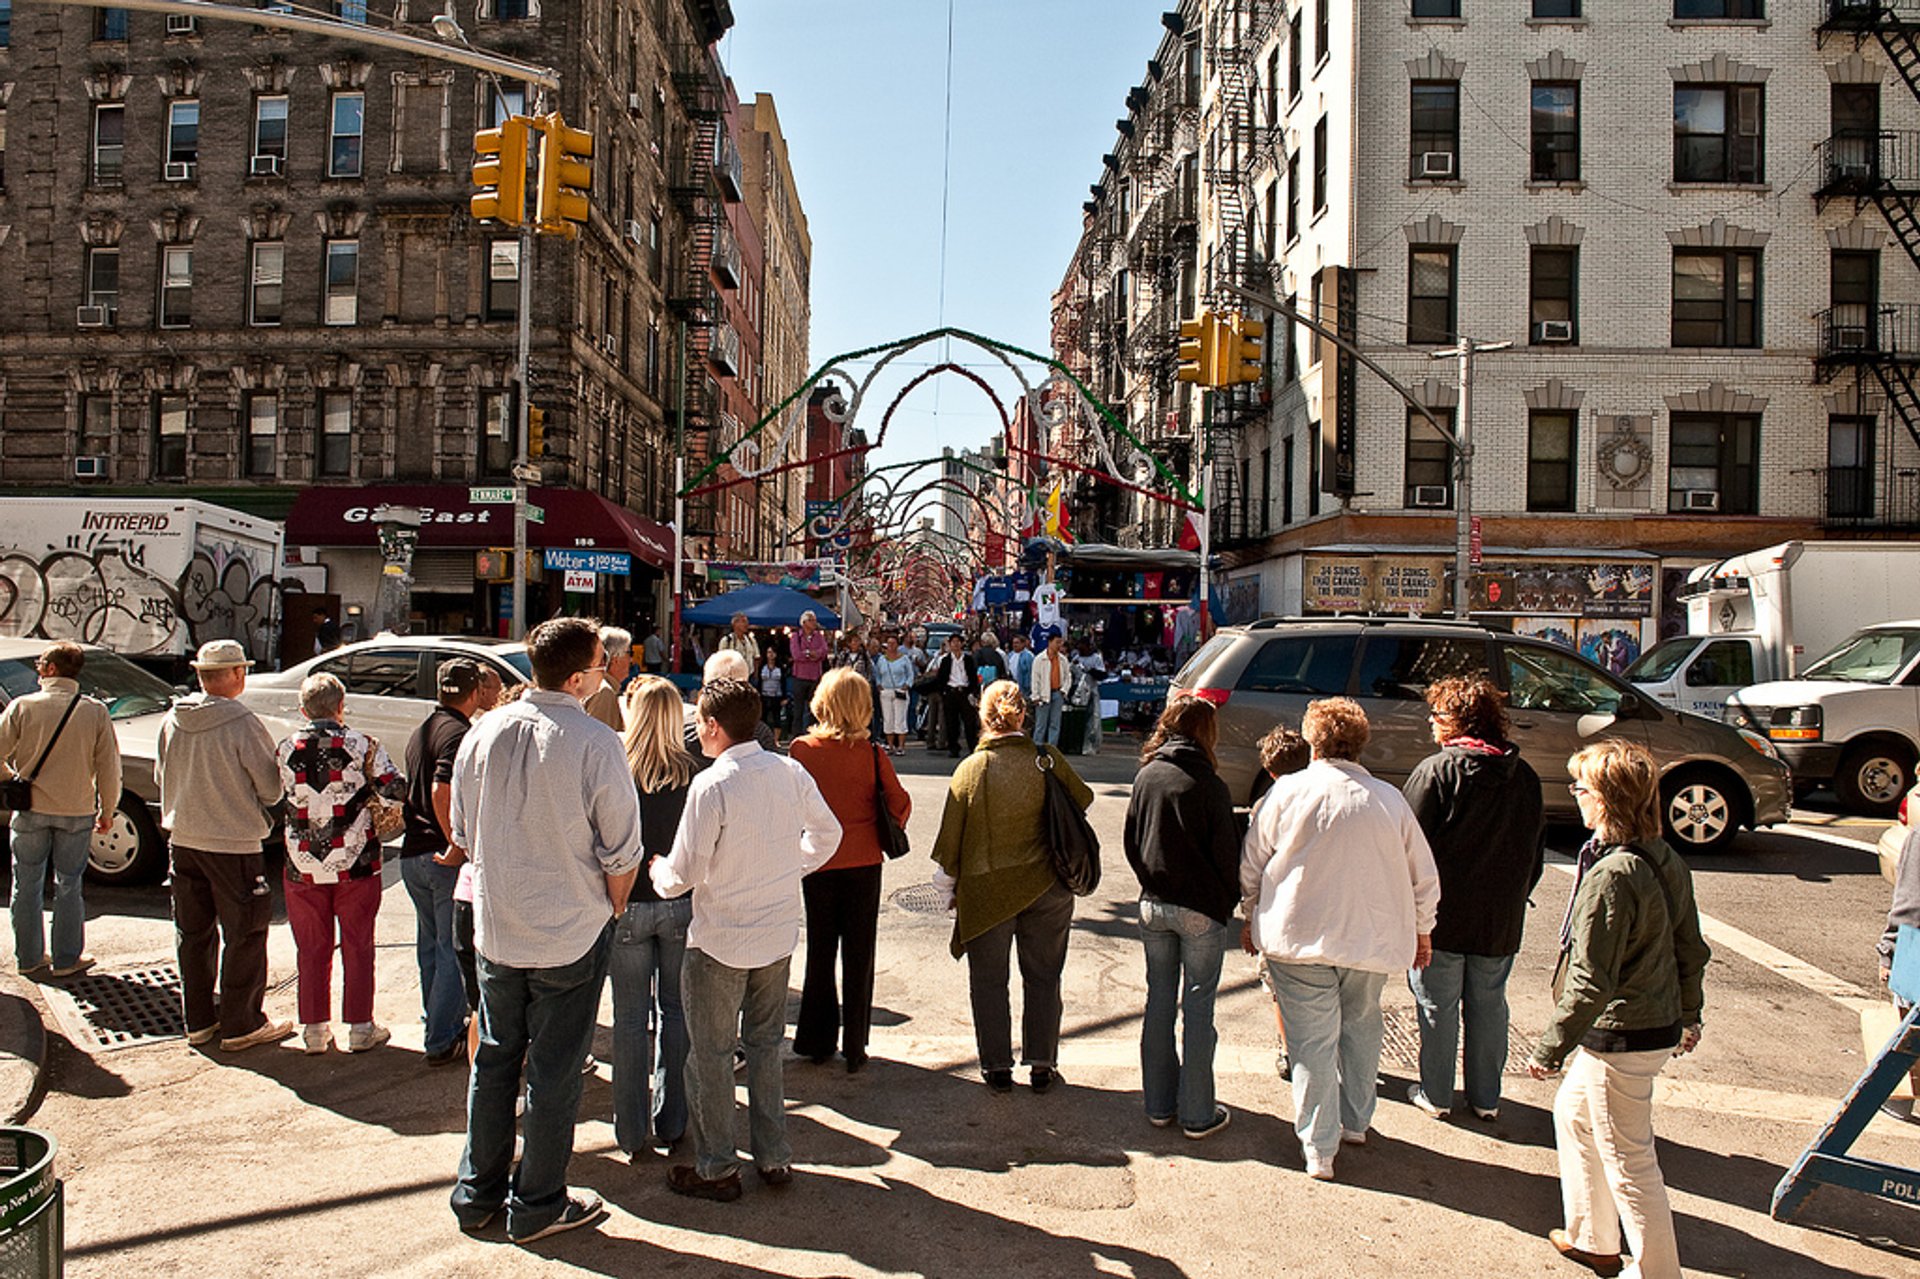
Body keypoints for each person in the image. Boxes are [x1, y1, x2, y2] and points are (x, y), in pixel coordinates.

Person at [449, 617, 644, 1245]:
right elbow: (623, 850)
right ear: (580, 674)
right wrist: (611, 908)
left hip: (500, 928)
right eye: (597, 665)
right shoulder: (595, 740)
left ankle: (478, 1191)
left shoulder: (484, 732)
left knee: (498, 1058)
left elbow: (460, 829)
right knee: (555, 1069)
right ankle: (536, 1201)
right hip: (567, 928)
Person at [651, 679, 842, 1202]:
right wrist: (791, 868)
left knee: (710, 1056)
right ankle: (774, 1155)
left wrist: (657, 873)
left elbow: (682, 874)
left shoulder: (712, 785)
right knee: (763, 1048)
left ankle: (717, 1167)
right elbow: (828, 835)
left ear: (712, 727)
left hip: (721, 940)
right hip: (775, 933)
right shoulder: (787, 771)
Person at [1530, 740, 1708, 1279]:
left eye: (1581, 788)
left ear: (1605, 799)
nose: (1575, 796)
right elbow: (1690, 946)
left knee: (1630, 1161)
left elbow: (1590, 979)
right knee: (1574, 1115)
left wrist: (1549, 1047)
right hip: (1650, 1023)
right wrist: (1691, 1013)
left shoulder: (1612, 875)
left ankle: (1656, 1272)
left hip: (1623, 1034)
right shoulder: (1661, 856)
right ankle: (1592, 1236)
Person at [1240, 697, 1439, 1181]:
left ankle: (1318, 1146)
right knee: (1362, 1026)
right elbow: (1424, 876)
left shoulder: (1286, 793)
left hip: (1297, 933)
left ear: (1312, 740)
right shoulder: (1389, 800)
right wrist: (1423, 929)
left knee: (1311, 1043)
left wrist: (1248, 913)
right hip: (1370, 938)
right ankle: (1356, 1120)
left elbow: (1253, 864)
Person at [931, 680, 1093, 1094]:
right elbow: (1084, 798)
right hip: (1048, 886)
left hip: (987, 891)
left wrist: (948, 887)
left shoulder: (972, 769)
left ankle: (996, 1067)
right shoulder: (1047, 760)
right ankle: (1042, 1064)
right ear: (1022, 715)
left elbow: (951, 840)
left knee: (988, 981)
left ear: (983, 718)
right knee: (1043, 977)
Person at [1403, 675, 1546, 1122]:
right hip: (1499, 918)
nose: (1431, 723)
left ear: (1455, 721)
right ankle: (1486, 1098)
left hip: (1440, 917)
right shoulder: (1523, 776)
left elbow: (1407, 846)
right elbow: (1534, 853)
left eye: (1437, 715)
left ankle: (1436, 1093)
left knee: (1436, 1007)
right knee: (1489, 1006)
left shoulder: (1437, 772)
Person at [157, 640, 291, 1051]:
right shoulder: (242, 721)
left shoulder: (173, 719)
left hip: (183, 838)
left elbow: (163, 775)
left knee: (193, 934)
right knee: (246, 932)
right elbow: (270, 788)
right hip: (233, 843)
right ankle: (240, 1023)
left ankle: (197, 1021)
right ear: (235, 674)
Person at [1124, 696, 1238, 1138]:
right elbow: (1226, 856)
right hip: (1200, 909)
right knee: (1197, 1008)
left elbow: (1132, 841)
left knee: (1158, 1002)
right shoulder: (1210, 785)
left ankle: (1157, 1104)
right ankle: (1196, 1112)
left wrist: (1151, 882)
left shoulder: (1147, 775)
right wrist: (1225, 902)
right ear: (1206, 734)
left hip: (1154, 903)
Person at [278, 672, 407, 1055]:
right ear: (341, 706)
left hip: (301, 861)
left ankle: (314, 1030)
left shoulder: (285, 747)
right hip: (356, 859)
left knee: (311, 946)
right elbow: (393, 788)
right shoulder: (362, 744)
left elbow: (274, 793)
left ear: (303, 710)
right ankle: (360, 1026)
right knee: (358, 943)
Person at [789, 670, 911, 1073]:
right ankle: (855, 1044)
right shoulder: (872, 754)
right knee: (860, 954)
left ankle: (816, 1038)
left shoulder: (803, 750)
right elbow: (899, 803)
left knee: (820, 951)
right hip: (864, 862)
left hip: (817, 862)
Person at [612, 676, 700, 1159]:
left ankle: (629, 1130)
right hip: (680, 904)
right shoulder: (694, 771)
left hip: (626, 904)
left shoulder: (615, 768)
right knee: (675, 1012)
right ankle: (673, 1120)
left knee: (628, 1019)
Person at [0, 642, 119, 979]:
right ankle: (67, 959)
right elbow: (108, 767)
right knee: (69, 884)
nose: (38, 670)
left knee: (26, 884)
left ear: (51, 670)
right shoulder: (94, 711)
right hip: (76, 810)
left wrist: (13, 778)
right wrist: (107, 809)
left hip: (30, 809)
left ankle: (29, 957)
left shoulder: (23, 707)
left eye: (40, 664)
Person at [399, 658, 486, 1067]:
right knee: (451, 949)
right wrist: (456, 843)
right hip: (438, 856)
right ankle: (442, 1035)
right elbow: (441, 788)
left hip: (411, 855)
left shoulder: (422, 730)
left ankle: (434, 1022)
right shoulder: (458, 733)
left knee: (430, 947)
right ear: (473, 693)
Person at [927, 634, 974, 758]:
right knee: (951, 722)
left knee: (969, 722)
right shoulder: (946, 660)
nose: (956, 644)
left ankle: (972, 747)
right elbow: (941, 678)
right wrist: (944, 692)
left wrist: (971, 691)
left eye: (958, 642)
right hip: (950, 692)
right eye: (953, 642)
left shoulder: (968, 659)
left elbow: (973, 677)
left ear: (962, 644)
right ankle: (953, 747)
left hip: (964, 692)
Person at [873, 635, 916, 756]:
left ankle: (901, 746)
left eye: (893, 643)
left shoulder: (904, 659)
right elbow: (877, 673)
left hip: (900, 691)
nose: (891, 646)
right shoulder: (882, 659)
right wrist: (879, 684)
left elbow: (910, 674)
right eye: (889, 643)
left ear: (898, 645)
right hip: (886, 691)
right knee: (888, 719)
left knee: (900, 719)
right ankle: (890, 745)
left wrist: (907, 685)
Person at [583, 626, 633, 732]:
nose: (631, 660)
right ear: (616, 659)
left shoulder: (599, 686)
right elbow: (597, 741)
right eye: (629, 653)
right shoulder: (604, 692)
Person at [790, 611, 831, 736]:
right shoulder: (796, 637)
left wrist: (815, 654)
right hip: (800, 677)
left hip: (814, 676)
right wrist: (809, 654)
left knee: (814, 709)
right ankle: (796, 736)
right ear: (804, 622)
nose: (814, 623)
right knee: (798, 710)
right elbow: (796, 655)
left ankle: (812, 734)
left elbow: (824, 652)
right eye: (811, 620)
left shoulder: (819, 636)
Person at [1028, 632, 1071, 749]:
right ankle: (1037, 748)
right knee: (1041, 724)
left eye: (1060, 643)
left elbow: (1068, 677)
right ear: (1050, 642)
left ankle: (1052, 748)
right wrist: (1035, 696)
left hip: (1058, 693)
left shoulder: (1063, 660)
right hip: (1043, 694)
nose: (1059, 645)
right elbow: (1035, 679)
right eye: (1057, 642)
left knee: (1055, 724)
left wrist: (1064, 691)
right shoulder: (1039, 659)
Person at [757, 650, 788, 746]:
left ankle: (776, 740)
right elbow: (759, 681)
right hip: (764, 695)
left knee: (777, 718)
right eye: (768, 652)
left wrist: (784, 697)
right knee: (763, 717)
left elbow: (783, 682)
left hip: (776, 695)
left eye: (773, 652)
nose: (771, 655)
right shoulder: (762, 667)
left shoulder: (780, 668)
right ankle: (762, 739)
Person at [1005, 633, 1035, 704]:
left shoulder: (1029, 656)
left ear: (1023, 644)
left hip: (1024, 688)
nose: (1015, 645)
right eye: (1013, 643)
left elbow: (1031, 672)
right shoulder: (1010, 655)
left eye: (1017, 643)